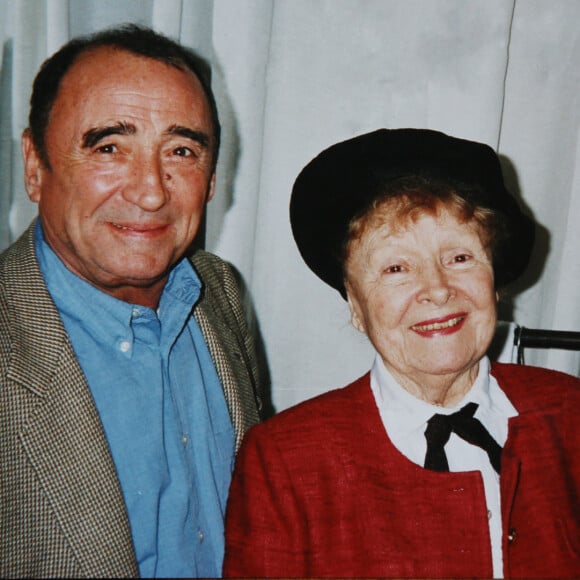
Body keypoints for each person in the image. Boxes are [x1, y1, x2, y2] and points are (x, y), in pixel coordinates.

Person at [223, 128, 580, 578]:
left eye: (459, 258)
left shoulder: (570, 412)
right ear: (355, 305)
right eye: (396, 268)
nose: (436, 289)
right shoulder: (286, 460)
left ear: (495, 279)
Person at [0, 24, 264, 578]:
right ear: (33, 164)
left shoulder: (220, 293)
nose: (150, 190)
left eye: (182, 150)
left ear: (212, 179)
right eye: (110, 147)